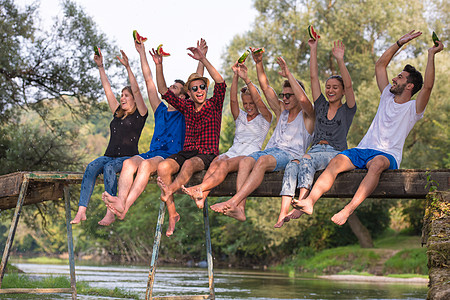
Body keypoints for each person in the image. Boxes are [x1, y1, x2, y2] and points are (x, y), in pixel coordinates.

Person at [295, 30, 444, 225]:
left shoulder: (413, 108)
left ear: (409, 86)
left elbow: (428, 87)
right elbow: (380, 65)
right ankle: (310, 202)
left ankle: (348, 210)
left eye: (399, 77)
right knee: (336, 161)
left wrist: (431, 55)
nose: (394, 79)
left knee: (376, 165)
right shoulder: (386, 96)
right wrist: (399, 43)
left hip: (386, 155)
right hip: (362, 149)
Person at [210, 49, 314, 221]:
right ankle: (240, 209)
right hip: (270, 151)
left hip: (290, 155)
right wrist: (257, 65)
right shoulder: (282, 111)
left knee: (262, 162)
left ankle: (234, 201)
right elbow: (265, 87)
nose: (285, 99)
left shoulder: (308, 116)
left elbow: (304, 101)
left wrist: (288, 74)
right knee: (245, 161)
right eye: (283, 95)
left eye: (290, 95)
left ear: (298, 95)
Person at [101, 38, 189, 224]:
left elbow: (195, 83)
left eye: (174, 88)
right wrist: (142, 53)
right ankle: (120, 202)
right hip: (152, 152)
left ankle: (124, 206)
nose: (168, 89)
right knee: (128, 165)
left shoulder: (184, 113)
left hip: (169, 155)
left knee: (145, 166)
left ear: (182, 96)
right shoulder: (160, 110)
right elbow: (149, 81)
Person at [275, 39, 357, 228]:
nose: (330, 90)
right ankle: (282, 212)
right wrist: (313, 49)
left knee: (306, 159)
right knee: (292, 165)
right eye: (328, 87)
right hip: (315, 151)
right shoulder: (320, 105)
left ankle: (304, 203)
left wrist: (340, 60)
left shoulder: (348, 109)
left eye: (335, 87)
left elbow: (350, 86)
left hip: (335, 153)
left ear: (343, 91)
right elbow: (313, 78)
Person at [156, 40, 227, 236]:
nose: (199, 91)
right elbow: (163, 91)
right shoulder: (186, 107)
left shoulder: (214, 104)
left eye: (202, 87)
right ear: (189, 93)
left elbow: (221, 82)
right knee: (163, 167)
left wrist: (203, 58)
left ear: (206, 88)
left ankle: (169, 190)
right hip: (187, 151)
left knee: (188, 164)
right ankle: (173, 212)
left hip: (206, 154)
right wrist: (159, 65)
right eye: (194, 89)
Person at [71, 48, 148, 224]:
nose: (122, 98)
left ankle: (110, 212)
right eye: (122, 95)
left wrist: (128, 67)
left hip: (127, 157)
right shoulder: (117, 113)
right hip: (109, 156)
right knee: (91, 167)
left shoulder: (140, 115)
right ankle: (82, 210)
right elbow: (107, 90)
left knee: (109, 168)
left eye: (126, 95)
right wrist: (100, 67)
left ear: (135, 100)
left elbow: (136, 90)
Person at [182, 60, 272, 209]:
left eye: (251, 103)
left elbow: (259, 101)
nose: (248, 107)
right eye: (246, 104)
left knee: (224, 164)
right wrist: (235, 76)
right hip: (234, 150)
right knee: (217, 160)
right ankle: (202, 197)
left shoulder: (265, 118)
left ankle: (199, 188)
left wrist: (246, 79)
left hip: (250, 154)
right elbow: (233, 100)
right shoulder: (241, 117)